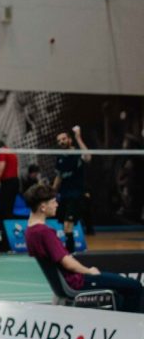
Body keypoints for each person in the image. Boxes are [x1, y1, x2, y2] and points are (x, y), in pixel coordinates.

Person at [24, 183, 142, 313]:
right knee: (134, 286)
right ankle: (131, 324)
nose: (57, 204)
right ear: (43, 207)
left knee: (121, 287)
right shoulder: (44, 232)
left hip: (64, 284)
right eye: (53, 202)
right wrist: (89, 271)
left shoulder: (30, 231)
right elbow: (67, 263)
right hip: (77, 282)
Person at [52, 125, 91, 253]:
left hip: (75, 195)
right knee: (65, 226)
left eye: (63, 139)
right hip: (64, 195)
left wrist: (78, 137)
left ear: (70, 139)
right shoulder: (60, 157)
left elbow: (88, 157)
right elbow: (59, 177)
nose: (61, 142)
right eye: (59, 141)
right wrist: (52, 192)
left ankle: (69, 252)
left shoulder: (77, 154)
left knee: (68, 224)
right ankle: (69, 251)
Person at [0, 140, 20, 218]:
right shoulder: (12, 153)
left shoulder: (2, 152)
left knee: (4, 207)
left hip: (8, 182)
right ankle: (9, 223)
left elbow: (1, 167)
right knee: (9, 206)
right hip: (14, 181)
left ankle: (4, 223)